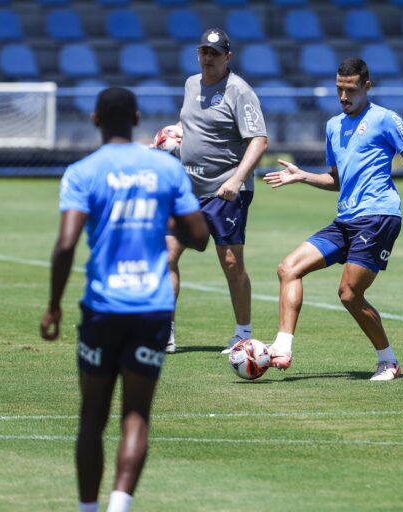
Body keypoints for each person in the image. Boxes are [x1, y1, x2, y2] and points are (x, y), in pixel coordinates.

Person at [39, 87, 208, 512]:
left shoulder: (82, 172)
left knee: (92, 417)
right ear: (136, 118)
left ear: (95, 120)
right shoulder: (164, 170)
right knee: (136, 414)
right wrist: (162, 216)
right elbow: (200, 237)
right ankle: (119, 506)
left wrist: (54, 305)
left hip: (103, 306)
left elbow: (64, 246)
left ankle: (87, 509)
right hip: (152, 306)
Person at [262, 58, 403, 381]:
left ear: (366, 87)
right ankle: (282, 348)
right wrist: (303, 177)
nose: (343, 96)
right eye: (339, 89)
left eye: (350, 90)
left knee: (349, 294)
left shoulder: (385, 120)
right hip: (346, 219)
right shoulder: (333, 126)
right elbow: (338, 181)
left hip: (379, 217)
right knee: (288, 268)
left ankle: (388, 361)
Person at [166, 28, 268, 354]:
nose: (208, 58)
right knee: (165, 256)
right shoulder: (190, 84)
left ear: (228, 57)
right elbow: (194, 126)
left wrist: (237, 180)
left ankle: (243, 333)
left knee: (230, 262)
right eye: (203, 52)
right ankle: (163, 332)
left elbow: (259, 140)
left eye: (214, 53)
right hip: (188, 191)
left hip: (225, 191)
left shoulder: (240, 91)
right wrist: (174, 135)